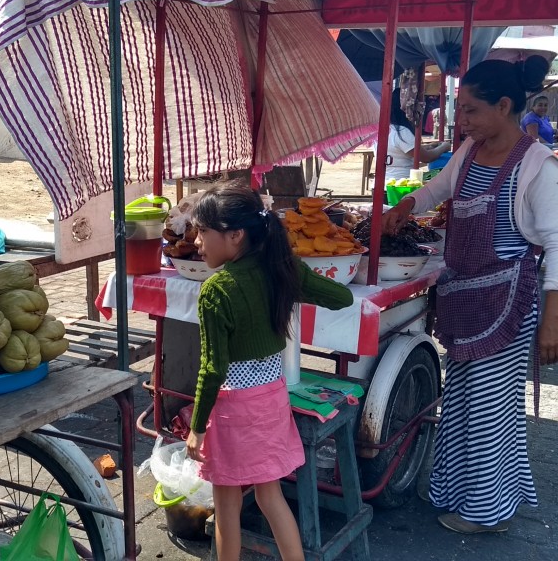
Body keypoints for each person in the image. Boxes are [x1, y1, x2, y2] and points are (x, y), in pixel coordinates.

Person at [382, 57, 558, 535]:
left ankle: (487, 513)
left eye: (471, 111)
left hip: (508, 304)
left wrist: (552, 321)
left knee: (490, 410)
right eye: (460, 110)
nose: (462, 121)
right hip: (464, 299)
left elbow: (557, 243)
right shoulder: (470, 150)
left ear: (504, 106)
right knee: (461, 400)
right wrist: (405, 206)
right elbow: (438, 188)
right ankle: (458, 493)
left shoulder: (538, 165)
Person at [184, 183, 353, 561]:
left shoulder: (217, 290)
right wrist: (296, 276)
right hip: (271, 400)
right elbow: (342, 298)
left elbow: (212, 370)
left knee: (226, 503)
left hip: (233, 410)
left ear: (235, 234)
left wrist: (197, 429)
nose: (197, 242)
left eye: (202, 231)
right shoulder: (278, 269)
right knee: (269, 494)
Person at [387, 87, 452, 181]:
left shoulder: (388, 129)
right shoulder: (402, 132)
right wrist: (443, 147)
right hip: (403, 182)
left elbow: (408, 151)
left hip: (389, 179)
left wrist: (430, 146)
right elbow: (427, 157)